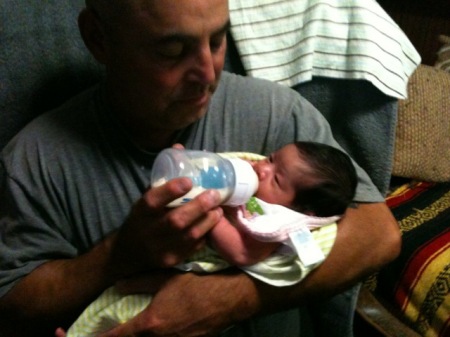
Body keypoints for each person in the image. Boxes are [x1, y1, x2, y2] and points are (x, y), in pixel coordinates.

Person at [0, 1, 401, 337]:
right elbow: (13, 306)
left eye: (217, 40)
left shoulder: (274, 113)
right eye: (173, 51)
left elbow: (378, 234)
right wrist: (118, 255)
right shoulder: (36, 162)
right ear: (99, 39)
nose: (208, 76)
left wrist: (228, 299)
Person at [65, 141, 358, 336]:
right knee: (108, 304)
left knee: (126, 317)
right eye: (271, 158)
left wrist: (214, 210)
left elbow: (242, 254)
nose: (262, 168)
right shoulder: (255, 182)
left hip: (179, 288)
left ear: (301, 210)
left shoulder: (277, 223)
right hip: (159, 271)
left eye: (277, 179)